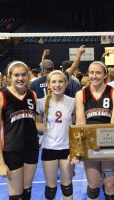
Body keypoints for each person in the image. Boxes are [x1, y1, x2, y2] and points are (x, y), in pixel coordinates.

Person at [0, 61, 39, 200]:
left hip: (32, 148)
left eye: (24, 75)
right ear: (9, 77)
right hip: (12, 151)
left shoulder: (32, 95)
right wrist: (0, 162)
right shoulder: (0, 98)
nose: (20, 78)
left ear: (28, 76)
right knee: (16, 195)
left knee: (27, 191)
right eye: (16, 75)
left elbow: (35, 123)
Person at [75, 61, 114, 200]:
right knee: (94, 185)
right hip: (90, 144)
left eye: (98, 73)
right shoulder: (81, 94)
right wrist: (78, 150)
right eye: (91, 73)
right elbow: (80, 122)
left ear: (105, 75)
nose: (94, 76)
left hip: (109, 142)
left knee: (110, 184)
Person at [36, 70, 79, 200]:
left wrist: (77, 150)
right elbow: (37, 124)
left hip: (67, 149)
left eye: (60, 81)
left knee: (67, 187)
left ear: (65, 84)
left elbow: (77, 125)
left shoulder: (73, 102)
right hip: (49, 148)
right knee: (51, 189)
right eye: (53, 81)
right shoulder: (41, 102)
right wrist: (43, 127)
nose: (57, 84)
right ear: (48, 84)